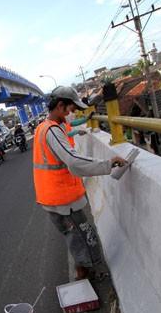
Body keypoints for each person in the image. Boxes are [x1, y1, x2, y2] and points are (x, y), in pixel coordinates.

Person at [33, 86, 127, 281]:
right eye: (71, 109)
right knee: (85, 236)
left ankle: (82, 272)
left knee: (75, 236)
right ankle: (92, 273)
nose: (73, 113)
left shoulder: (45, 127)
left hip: (53, 198)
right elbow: (74, 162)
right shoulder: (52, 131)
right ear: (60, 106)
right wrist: (108, 164)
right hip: (62, 200)